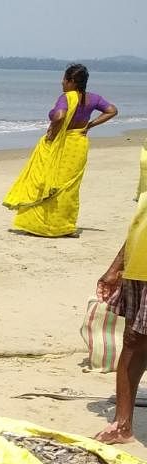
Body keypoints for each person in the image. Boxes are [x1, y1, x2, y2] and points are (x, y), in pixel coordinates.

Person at [3, 64, 118, 237]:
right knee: (69, 188)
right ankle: (65, 225)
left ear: (72, 81)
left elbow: (60, 116)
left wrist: (52, 135)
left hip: (62, 145)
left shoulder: (66, 98)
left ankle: (42, 225)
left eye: (64, 79)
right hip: (79, 144)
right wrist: (90, 125)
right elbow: (112, 111)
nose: (62, 82)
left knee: (47, 182)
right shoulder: (93, 98)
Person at [93, 147, 147, 444]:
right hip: (141, 258)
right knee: (134, 342)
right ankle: (122, 424)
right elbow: (143, 212)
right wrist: (117, 265)